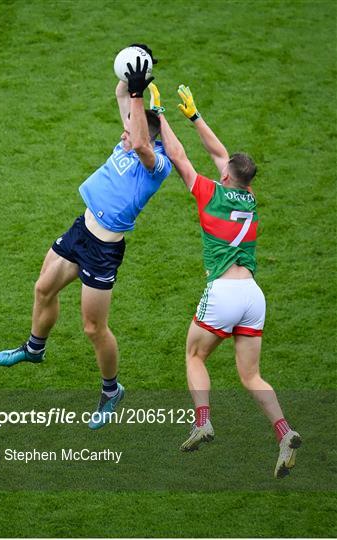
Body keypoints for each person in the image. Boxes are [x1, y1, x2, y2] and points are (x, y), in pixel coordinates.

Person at [0, 47, 172, 430]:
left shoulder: (156, 164)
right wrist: (138, 67)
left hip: (104, 251)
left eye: (130, 128)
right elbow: (121, 94)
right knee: (43, 288)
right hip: (81, 229)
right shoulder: (131, 137)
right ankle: (33, 349)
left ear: (149, 133)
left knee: (93, 328)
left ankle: (112, 391)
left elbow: (140, 140)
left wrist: (140, 98)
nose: (123, 132)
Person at [150, 82, 301, 479]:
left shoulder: (208, 193)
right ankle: (284, 432)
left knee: (194, 355)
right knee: (251, 375)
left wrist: (161, 114)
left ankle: (202, 421)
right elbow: (222, 156)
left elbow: (180, 156)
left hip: (223, 292)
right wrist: (195, 117)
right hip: (253, 295)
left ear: (227, 178)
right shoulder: (248, 197)